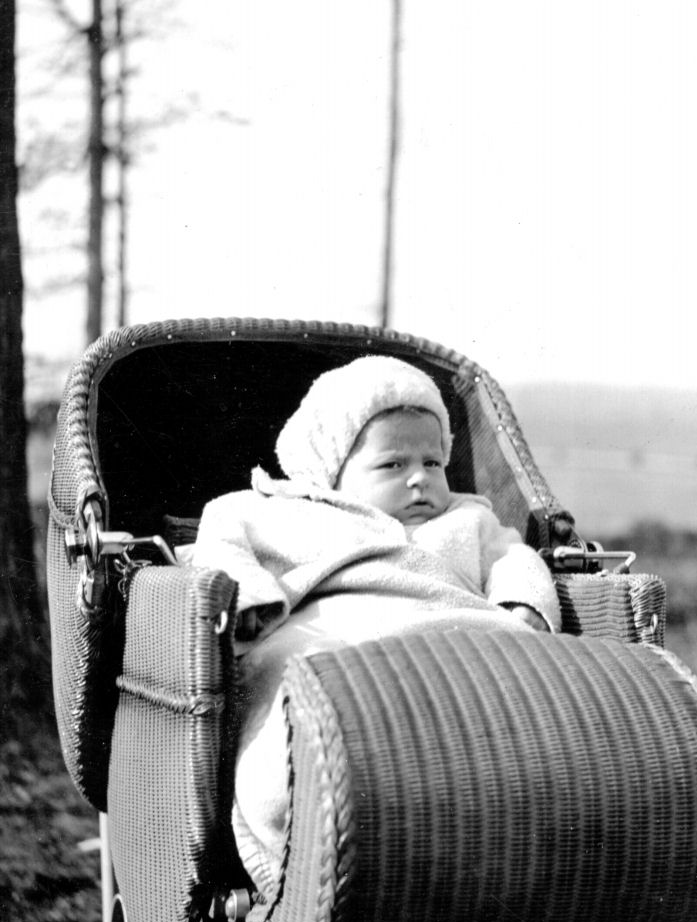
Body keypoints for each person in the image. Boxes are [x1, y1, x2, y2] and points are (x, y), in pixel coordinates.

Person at [192, 355, 561, 894]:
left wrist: (521, 604)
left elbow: (514, 558)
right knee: (288, 697)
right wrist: (249, 599)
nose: (420, 480)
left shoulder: (467, 518)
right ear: (329, 471)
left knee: (523, 703)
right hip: (334, 648)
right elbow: (218, 541)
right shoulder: (281, 511)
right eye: (392, 465)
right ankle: (305, 809)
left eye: (433, 463)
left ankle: (517, 817)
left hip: (461, 647)